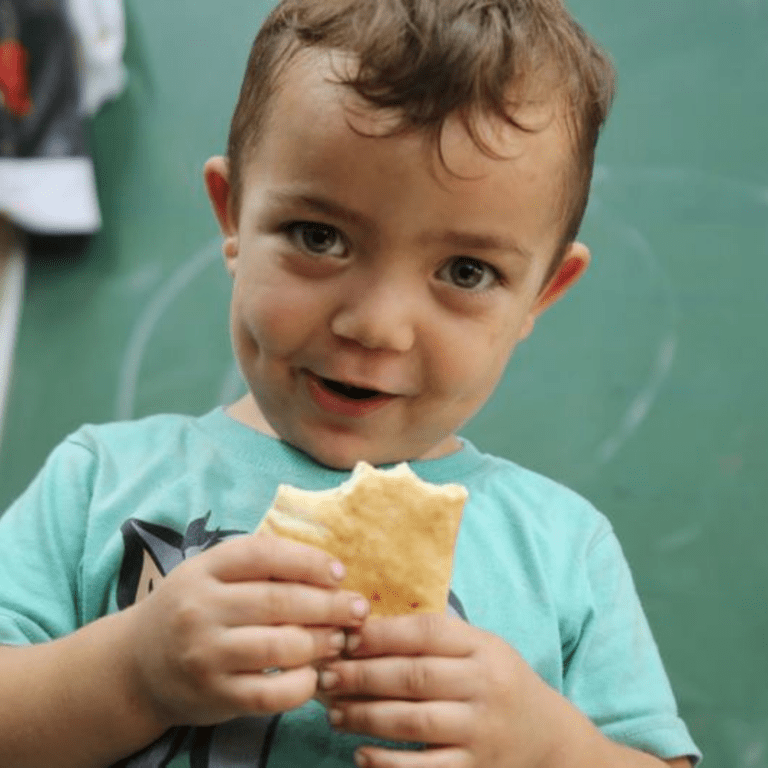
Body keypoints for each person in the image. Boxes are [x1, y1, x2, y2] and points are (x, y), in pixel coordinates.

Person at [0, 0, 702, 766]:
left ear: (541, 294)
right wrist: (133, 676)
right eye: (319, 236)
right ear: (233, 216)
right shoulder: (98, 480)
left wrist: (549, 749)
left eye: (466, 272)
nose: (377, 326)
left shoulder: (566, 549)